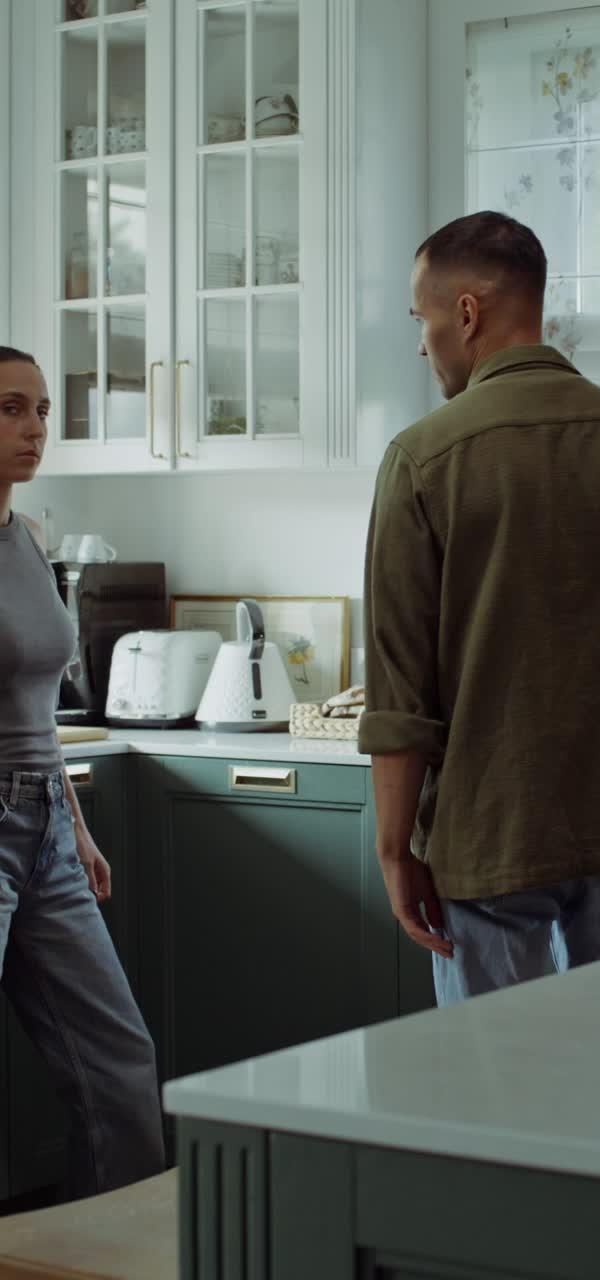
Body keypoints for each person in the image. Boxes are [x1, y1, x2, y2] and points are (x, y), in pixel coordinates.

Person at [358, 212, 600, 1006]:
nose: (422, 345)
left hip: (490, 837)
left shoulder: (423, 458)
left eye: (422, 319)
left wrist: (394, 851)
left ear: (466, 313)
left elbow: (399, 694)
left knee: (495, 1098)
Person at [0, 345, 165, 1197]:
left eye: (39, 411)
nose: (32, 430)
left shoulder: (29, 538)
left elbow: (36, 710)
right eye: (7, 410)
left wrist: (75, 823)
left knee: (119, 1066)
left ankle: (118, 1255)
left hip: (47, 833)